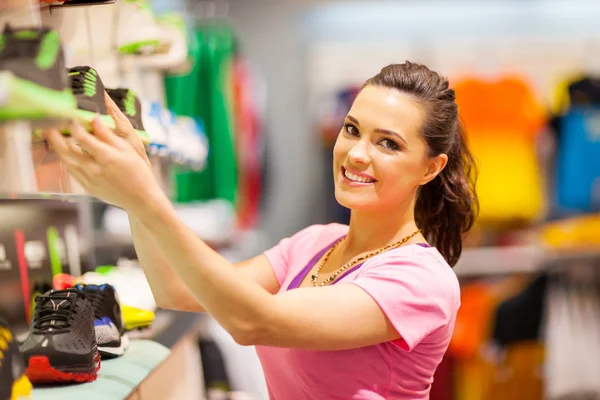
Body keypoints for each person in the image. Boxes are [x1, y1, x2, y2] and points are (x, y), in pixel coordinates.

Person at [46, 61, 478, 399]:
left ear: (431, 167)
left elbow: (253, 321)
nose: (357, 154)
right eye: (352, 130)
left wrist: (146, 198)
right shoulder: (316, 244)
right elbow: (177, 289)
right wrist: (138, 175)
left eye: (389, 143)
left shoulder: (421, 280)